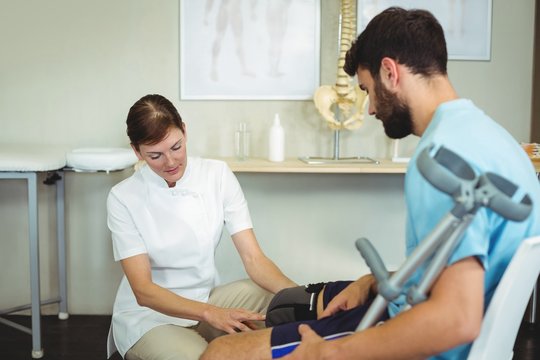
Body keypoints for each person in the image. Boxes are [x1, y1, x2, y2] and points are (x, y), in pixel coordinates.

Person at [200, 7, 540, 360]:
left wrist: (332, 353)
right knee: (290, 307)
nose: (370, 110)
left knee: (222, 352)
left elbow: (456, 318)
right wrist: (370, 282)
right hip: (433, 318)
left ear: (390, 72)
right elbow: (458, 270)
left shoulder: (439, 159)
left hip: (426, 340)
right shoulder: (501, 143)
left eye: (367, 90)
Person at [106, 94, 296, 360]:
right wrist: (211, 313)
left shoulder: (216, 175)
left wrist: (306, 298)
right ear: (137, 151)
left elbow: (254, 258)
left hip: (206, 299)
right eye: (155, 155)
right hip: (152, 318)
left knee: (280, 301)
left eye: (176, 147)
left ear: (184, 130)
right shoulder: (123, 197)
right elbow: (143, 290)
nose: (170, 162)